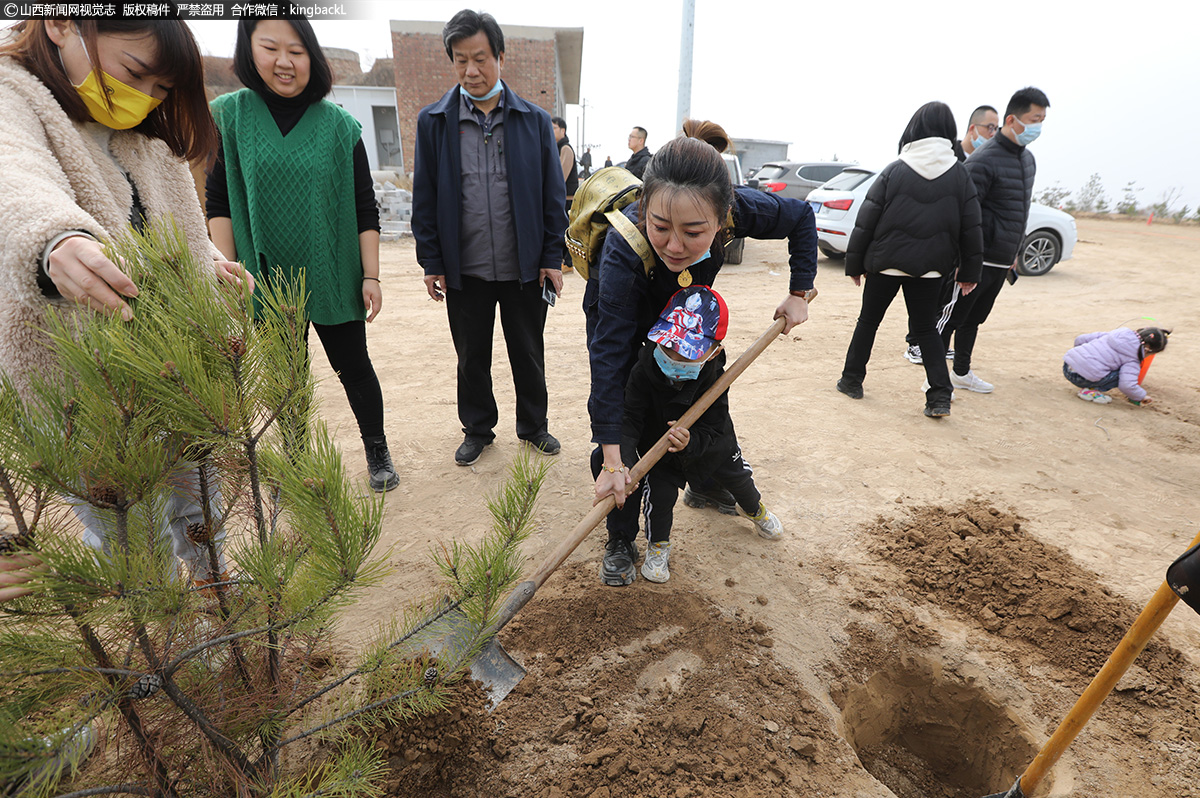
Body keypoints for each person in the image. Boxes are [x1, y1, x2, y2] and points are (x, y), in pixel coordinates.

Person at [0, 19, 254, 589]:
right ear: (62, 23)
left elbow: (171, 236)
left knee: (201, 518)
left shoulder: (146, 139)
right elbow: (14, 180)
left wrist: (208, 268)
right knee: (131, 544)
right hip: (87, 394)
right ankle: (154, 660)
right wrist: (55, 239)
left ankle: (224, 623)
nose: (145, 97)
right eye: (135, 72)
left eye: (162, 88)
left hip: (178, 378)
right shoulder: (13, 99)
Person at [587, 118, 817, 587]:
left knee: (708, 415)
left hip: (695, 327)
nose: (675, 246)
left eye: (694, 232)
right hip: (632, 329)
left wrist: (799, 290)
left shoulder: (738, 208)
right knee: (636, 427)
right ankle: (620, 536)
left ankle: (709, 486)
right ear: (645, 208)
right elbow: (607, 361)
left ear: (722, 215)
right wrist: (613, 458)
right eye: (661, 227)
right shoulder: (622, 251)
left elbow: (800, 218)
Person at [206, 19, 397, 493]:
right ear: (250, 52)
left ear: (312, 57)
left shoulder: (339, 126)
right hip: (265, 274)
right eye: (270, 47)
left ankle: (377, 449)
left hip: (332, 270)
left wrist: (370, 275)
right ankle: (296, 460)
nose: (284, 61)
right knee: (285, 377)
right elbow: (220, 202)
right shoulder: (229, 117)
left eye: (297, 50)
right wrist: (228, 273)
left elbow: (363, 205)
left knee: (354, 366)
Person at [412, 9, 566, 466]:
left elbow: (551, 196)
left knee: (528, 350)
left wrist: (551, 257)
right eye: (461, 60)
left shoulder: (533, 121)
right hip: (466, 269)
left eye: (480, 58)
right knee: (471, 356)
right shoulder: (434, 122)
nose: (471, 70)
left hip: (523, 266)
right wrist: (432, 262)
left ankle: (534, 427)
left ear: (500, 56)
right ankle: (478, 428)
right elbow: (426, 197)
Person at [620, 286, 782, 584]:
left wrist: (692, 442)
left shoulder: (716, 376)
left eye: (688, 351)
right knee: (659, 497)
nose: (675, 356)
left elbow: (716, 423)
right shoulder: (643, 371)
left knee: (740, 482)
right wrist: (626, 462)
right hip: (660, 452)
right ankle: (658, 547)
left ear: (714, 352)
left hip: (713, 445)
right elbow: (629, 420)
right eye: (669, 347)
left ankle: (754, 510)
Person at [836, 101, 983, 418]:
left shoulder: (895, 169)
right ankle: (939, 396)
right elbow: (972, 227)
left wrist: (855, 264)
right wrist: (969, 272)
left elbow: (867, 219)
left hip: (885, 264)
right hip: (930, 271)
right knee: (927, 330)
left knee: (868, 322)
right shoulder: (959, 174)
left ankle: (851, 381)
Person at [938, 86, 1050, 394]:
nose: (1038, 126)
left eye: (1043, 119)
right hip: (977, 260)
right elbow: (963, 215)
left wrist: (1014, 251)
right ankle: (935, 381)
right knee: (950, 319)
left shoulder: (1028, 161)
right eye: (1034, 118)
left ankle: (961, 372)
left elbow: (1020, 210)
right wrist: (964, 261)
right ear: (1012, 119)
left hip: (1001, 260)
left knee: (974, 319)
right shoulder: (984, 159)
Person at [903, 103, 998, 365]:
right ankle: (915, 344)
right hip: (935, 238)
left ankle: (933, 342)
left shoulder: (985, 161)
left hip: (957, 244)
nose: (993, 133)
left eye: (996, 128)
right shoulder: (948, 154)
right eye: (989, 127)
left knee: (945, 297)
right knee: (927, 294)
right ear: (972, 129)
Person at [1062, 326, 1169, 405]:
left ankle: (1083, 369)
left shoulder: (1113, 334)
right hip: (1081, 378)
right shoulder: (1133, 358)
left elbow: (1080, 339)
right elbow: (1126, 385)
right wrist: (1142, 396)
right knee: (1121, 375)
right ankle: (1090, 390)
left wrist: (1080, 356)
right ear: (1147, 350)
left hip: (1067, 366)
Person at [552, 115, 579, 271]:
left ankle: (568, 263)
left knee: (566, 230)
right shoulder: (557, 147)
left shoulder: (566, 148)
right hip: (562, 197)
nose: (551, 130)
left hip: (567, 198)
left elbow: (561, 176)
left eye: (554, 127)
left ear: (562, 130)